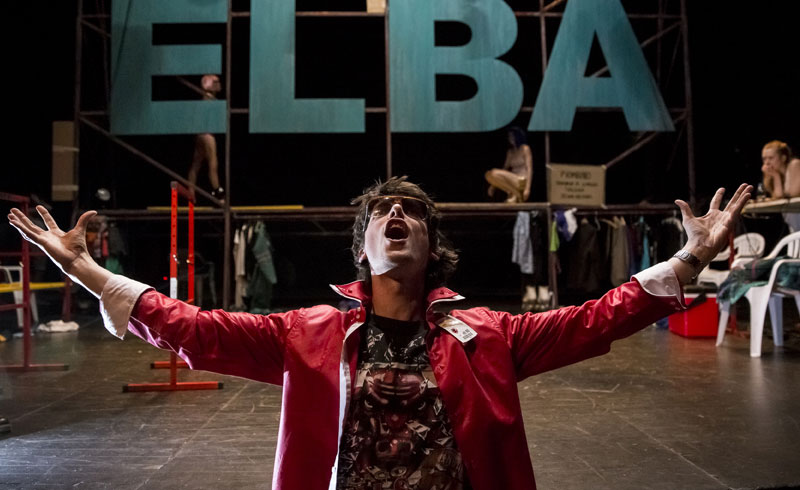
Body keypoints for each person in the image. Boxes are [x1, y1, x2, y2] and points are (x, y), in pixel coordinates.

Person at [7, 178, 752, 490]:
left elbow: (598, 317)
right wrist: (88, 273)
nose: (397, 216)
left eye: (412, 212)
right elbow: (191, 329)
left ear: (432, 244)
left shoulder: (490, 334)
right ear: (362, 247)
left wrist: (691, 258)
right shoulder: (307, 333)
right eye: (381, 213)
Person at [187, 74, 224, 202]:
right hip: (207, 133)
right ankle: (218, 193)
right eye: (215, 83)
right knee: (213, 163)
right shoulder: (208, 98)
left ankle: (191, 190)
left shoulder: (208, 98)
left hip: (201, 133)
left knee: (196, 163)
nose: (218, 84)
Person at [485, 126, 533, 203]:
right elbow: (504, 169)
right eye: (509, 136)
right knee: (488, 175)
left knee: (493, 172)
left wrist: (528, 188)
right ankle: (514, 193)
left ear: (517, 136)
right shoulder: (510, 152)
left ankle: (515, 194)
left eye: (512, 136)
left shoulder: (525, 148)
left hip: (522, 180)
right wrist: (493, 185)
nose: (510, 138)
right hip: (512, 179)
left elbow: (529, 169)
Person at [760, 140, 800, 231]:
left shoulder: (795, 165)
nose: (767, 163)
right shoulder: (775, 175)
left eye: (771, 158)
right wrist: (776, 176)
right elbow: (778, 197)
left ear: (783, 158)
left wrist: (775, 176)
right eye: (764, 159)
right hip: (794, 224)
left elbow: (792, 194)